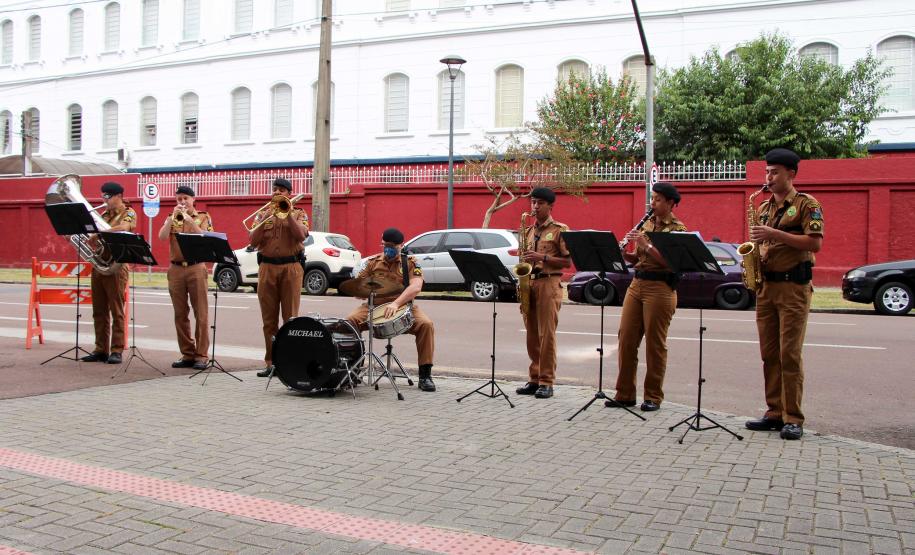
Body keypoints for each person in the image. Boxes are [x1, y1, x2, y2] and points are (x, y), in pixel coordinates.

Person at [745, 148, 823, 441]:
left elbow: (814, 244)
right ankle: (774, 412)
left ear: (791, 174)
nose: (769, 177)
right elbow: (760, 242)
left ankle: (793, 418)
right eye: (767, 172)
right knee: (769, 354)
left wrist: (774, 235)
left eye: (775, 172)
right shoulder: (763, 207)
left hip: (793, 287)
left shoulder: (807, 205)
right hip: (767, 286)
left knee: (789, 353)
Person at [606, 182, 687, 412]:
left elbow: (672, 263)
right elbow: (639, 259)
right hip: (637, 283)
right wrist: (626, 254)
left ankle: (653, 396)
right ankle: (624, 394)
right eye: (652, 199)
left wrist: (647, 245)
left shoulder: (678, 229)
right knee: (626, 338)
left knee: (655, 343)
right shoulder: (647, 224)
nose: (653, 204)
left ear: (671, 203)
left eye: (658, 199)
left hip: (660, 287)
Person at [346, 228, 437, 392]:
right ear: (382, 243)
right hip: (373, 306)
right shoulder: (372, 262)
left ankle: (425, 375)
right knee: (349, 322)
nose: (388, 249)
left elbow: (416, 287)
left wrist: (396, 304)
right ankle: (354, 370)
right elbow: (359, 283)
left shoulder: (410, 262)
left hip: (402, 306)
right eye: (385, 245)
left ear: (400, 245)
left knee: (426, 325)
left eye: (392, 246)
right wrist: (359, 290)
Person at [515, 187, 571, 399]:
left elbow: (567, 261)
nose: (535, 207)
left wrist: (542, 258)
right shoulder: (528, 231)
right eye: (533, 203)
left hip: (549, 282)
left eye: (539, 203)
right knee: (531, 335)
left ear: (550, 205)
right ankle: (534, 378)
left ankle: (547, 381)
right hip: (531, 282)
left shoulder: (559, 229)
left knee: (546, 335)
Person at [250, 177, 309, 377]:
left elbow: (301, 235)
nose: (276, 192)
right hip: (267, 267)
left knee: (290, 318)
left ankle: (289, 361)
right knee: (269, 320)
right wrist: (267, 216)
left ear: (289, 194)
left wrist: (287, 214)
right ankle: (271, 362)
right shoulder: (263, 213)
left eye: (281, 190)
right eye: (274, 189)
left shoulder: (299, 213)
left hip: (291, 267)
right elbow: (253, 241)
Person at [157, 186, 213, 371]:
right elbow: (162, 237)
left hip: (196, 267)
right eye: (179, 199)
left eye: (185, 198)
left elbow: (206, 237)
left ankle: (201, 355)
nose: (182, 202)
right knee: (180, 314)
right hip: (176, 269)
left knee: (201, 313)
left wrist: (190, 220)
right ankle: (187, 353)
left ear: (193, 199)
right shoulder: (171, 217)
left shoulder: (204, 217)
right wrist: (170, 219)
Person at [80, 182, 136, 365]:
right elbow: (95, 239)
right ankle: (100, 349)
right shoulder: (102, 215)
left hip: (116, 267)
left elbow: (124, 228)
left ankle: (117, 350)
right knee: (99, 310)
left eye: (107, 197)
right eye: (103, 196)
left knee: (116, 310)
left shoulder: (128, 212)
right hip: (99, 266)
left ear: (118, 196)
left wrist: (100, 234)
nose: (104, 200)